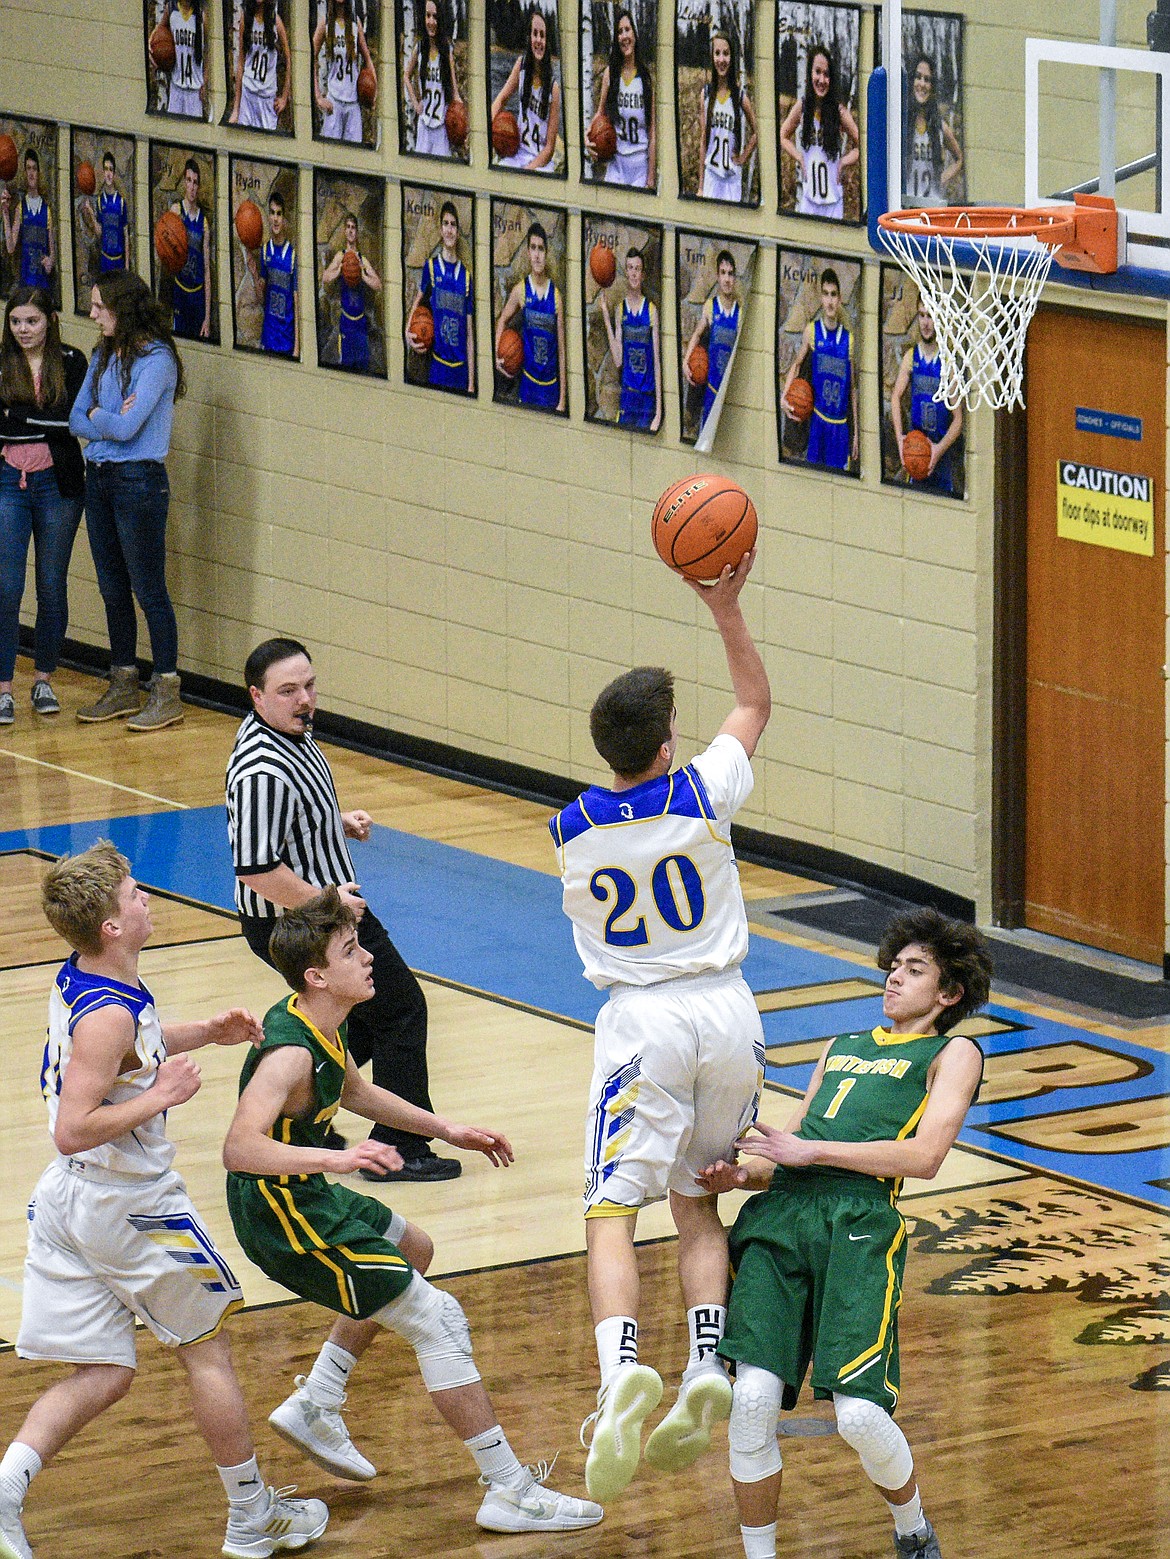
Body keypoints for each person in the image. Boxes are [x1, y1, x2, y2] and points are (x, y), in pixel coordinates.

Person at [222, 888, 605, 1536]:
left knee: (414, 1250)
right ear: (317, 974)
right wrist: (336, 1161)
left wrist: (448, 1127)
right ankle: (510, 1489)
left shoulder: (324, 1019)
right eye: (351, 949)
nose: (368, 956)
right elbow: (239, 1146)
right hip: (282, 1211)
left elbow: (358, 1090)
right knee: (440, 1318)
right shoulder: (288, 1050)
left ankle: (318, 1398)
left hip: (302, 1194)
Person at [0, 841, 329, 1559]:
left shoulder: (96, 979)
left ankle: (2, 1494)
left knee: (107, 1371)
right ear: (112, 925)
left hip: (74, 1206)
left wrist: (205, 1033)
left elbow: (128, 1050)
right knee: (207, 1347)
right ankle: (251, 1515)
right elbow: (71, 1127)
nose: (146, 898)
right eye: (134, 894)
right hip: (132, 1207)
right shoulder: (107, 1015)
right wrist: (161, 1095)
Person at [549, 550, 772, 1503]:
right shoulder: (703, 790)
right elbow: (754, 703)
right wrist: (724, 607)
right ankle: (708, 1364)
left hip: (641, 1018)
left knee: (611, 1205)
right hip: (728, 1009)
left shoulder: (568, 828)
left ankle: (618, 1376)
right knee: (700, 1200)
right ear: (668, 741)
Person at [701, 907, 993, 1559]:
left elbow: (924, 1157)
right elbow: (789, 1147)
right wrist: (741, 1174)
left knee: (859, 1414)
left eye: (914, 969)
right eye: (893, 966)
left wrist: (814, 1153)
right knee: (749, 1399)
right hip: (781, 1221)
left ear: (948, 994)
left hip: (860, 1225)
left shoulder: (955, 1052)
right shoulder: (842, 1048)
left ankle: (913, 1528)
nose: (894, 977)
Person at [225, 636, 459, 1182]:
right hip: (307, 919)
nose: (304, 699)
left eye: (309, 686)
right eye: (288, 691)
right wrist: (327, 900)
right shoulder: (262, 769)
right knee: (401, 1010)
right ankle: (400, 1148)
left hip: (327, 910)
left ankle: (307, 1109)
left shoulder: (292, 734)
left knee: (360, 1019)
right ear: (256, 697)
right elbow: (257, 869)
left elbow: (290, 821)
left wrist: (332, 822)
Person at [68, 271, 185, 732]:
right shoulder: (102, 354)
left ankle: (167, 688)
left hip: (139, 480)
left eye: (100, 307)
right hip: (97, 477)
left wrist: (103, 416)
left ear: (124, 308)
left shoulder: (157, 360)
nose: (93, 315)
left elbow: (127, 429)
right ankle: (122, 683)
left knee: (148, 589)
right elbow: (77, 418)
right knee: (111, 587)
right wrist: (104, 416)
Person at [0, 287, 87, 726]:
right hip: (8, 483)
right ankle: (3, 688)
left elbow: (71, 421)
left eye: (31, 321)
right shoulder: (2, 363)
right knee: (7, 586)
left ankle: (44, 678)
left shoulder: (72, 361)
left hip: (58, 483)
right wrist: (37, 423)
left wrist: (19, 420)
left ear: (49, 321)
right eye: (15, 321)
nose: (22, 330)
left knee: (52, 585)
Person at [782, 267, 858, 472]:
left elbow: (852, 390)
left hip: (840, 427)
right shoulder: (812, 331)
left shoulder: (849, 340)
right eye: (826, 294)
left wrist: (856, 433)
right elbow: (797, 364)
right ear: (821, 298)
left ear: (840, 298)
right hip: (817, 421)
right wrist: (784, 397)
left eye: (833, 295)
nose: (830, 300)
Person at [779, 45, 859, 220]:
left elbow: (862, 146)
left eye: (826, 74)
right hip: (808, 199)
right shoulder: (803, 106)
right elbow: (783, 135)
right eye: (818, 72)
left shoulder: (839, 112)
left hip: (833, 203)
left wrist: (843, 163)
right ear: (810, 74)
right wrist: (799, 157)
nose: (822, 79)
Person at [890, 301, 962, 493]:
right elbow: (895, 397)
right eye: (921, 315)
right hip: (916, 453)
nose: (925, 323)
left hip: (941, 458)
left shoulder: (947, 364)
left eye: (930, 316)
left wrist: (938, 450)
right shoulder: (910, 357)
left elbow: (958, 420)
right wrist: (900, 440)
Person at [495, 222, 566, 413]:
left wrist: (563, 400)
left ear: (546, 253)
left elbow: (561, 350)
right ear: (527, 252)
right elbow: (502, 319)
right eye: (533, 248)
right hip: (527, 385)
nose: (537, 254)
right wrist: (496, 355)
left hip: (550, 387)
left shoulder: (556, 296)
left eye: (541, 249)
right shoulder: (521, 290)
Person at [406, 201, 474, 394]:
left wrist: (471, 383)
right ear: (440, 229)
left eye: (453, 224)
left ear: (458, 231)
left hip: (460, 369)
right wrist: (407, 332)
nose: (449, 229)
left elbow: (469, 333)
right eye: (446, 224)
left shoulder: (467, 276)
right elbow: (417, 299)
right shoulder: (431, 267)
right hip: (438, 366)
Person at [586, 9, 655, 189]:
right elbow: (600, 113)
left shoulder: (645, 79)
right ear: (616, 39)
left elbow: (652, 131)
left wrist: (651, 176)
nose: (624, 35)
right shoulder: (611, 73)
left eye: (627, 29)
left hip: (640, 166)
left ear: (635, 34)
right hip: (616, 163)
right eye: (620, 31)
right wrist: (587, 136)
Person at [490, 5, 561, 173]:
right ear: (529, 38)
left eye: (542, 35)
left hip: (540, 160)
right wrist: (489, 126)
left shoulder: (553, 88)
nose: (538, 40)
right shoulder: (520, 66)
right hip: (518, 153)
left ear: (547, 41)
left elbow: (549, 148)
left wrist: (529, 169)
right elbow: (500, 100)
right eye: (535, 34)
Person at [597, 248, 661, 433]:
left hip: (647, 398)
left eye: (637, 268)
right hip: (627, 395)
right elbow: (618, 359)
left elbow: (656, 362)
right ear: (626, 272)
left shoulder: (651, 311)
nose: (633, 273)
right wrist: (605, 316)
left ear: (643, 274)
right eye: (630, 268)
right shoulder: (620, 310)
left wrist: (658, 412)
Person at [683, 248, 741, 437]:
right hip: (711, 388)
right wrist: (686, 361)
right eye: (723, 273)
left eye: (731, 274)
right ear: (717, 276)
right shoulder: (710, 307)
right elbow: (697, 335)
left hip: (729, 392)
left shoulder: (740, 314)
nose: (727, 279)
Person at [697, 28, 757, 204]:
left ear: (731, 58)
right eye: (717, 53)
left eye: (726, 54)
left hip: (731, 179)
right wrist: (700, 186)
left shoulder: (739, 97)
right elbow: (703, 141)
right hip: (711, 176)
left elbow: (757, 132)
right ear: (712, 57)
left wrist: (744, 157)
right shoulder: (706, 94)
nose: (721, 59)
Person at [321, 213, 380, 371]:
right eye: (348, 227)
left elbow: (378, 284)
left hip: (360, 322)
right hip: (346, 321)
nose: (351, 231)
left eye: (353, 227)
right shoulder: (341, 256)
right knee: (346, 367)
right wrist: (340, 271)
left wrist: (362, 275)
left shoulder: (361, 259)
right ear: (344, 231)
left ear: (357, 232)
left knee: (363, 367)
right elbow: (325, 277)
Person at [404, 0, 462, 158]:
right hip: (424, 124)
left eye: (435, 17)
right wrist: (415, 103)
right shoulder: (420, 48)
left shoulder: (446, 50)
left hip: (442, 126)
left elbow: (455, 90)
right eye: (428, 16)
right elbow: (406, 76)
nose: (431, 21)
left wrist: (461, 115)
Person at [903, 54, 962, 207]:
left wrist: (941, 178)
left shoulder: (939, 127)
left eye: (927, 79)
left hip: (931, 210)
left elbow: (959, 159)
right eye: (918, 77)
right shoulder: (901, 124)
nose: (922, 84)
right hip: (905, 209)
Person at [245, 189, 298, 357]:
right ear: (268, 216)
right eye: (272, 213)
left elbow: (296, 303)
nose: (275, 218)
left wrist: (297, 346)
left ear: (283, 218)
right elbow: (262, 300)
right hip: (268, 338)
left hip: (287, 341)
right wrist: (254, 274)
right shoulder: (265, 251)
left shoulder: (292, 255)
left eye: (279, 214)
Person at [313, 0, 375, 143]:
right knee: (330, 156)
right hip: (334, 101)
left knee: (354, 158)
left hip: (353, 103)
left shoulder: (355, 23)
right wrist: (318, 97)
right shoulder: (325, 23)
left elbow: (367, 58)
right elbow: (311, 57)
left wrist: (374, 91)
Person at [229, 0, 292, 131]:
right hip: (248, 94)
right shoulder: (246, 19)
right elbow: (241, 62)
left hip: (267, 97)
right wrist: (236, 109)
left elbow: (288, 59)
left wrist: (284, 97)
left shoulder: (275, 21)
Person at [168, 158, 212, 342]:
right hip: (180, 290)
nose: (192, 187)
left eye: (195, 182)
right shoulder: (176, 211)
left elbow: (207, 270)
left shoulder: (203, 222)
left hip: (198, 295)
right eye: (189, 180)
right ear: (184, 183)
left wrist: (208, 318)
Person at [1, 149, 55, 290]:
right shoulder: (21, 207)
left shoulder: (46, 210)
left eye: (34, 169)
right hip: (25, 281)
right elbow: (11, 247)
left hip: (42, 282)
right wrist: (5, 213)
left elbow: (52, 251)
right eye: (28, 168)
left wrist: (50, 261)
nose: (31, 173)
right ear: (24, 172)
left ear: (39, 173)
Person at [80, 151, 129, 274]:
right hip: (105, 259)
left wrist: (127, 264)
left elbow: (126, 235)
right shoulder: (100, 201)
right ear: (103, 172)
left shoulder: (121, 202)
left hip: (119, 260)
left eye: (111, 170)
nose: (108, 173)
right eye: (106, 169)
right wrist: (91, 213)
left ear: (114, 173)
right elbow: (99, 232)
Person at [162, 0, 208, 119]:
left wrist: (205, 81)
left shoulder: (202, 16)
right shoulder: (171, 9)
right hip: (176, 87)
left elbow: (207, 53)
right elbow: (159, 33)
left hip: (195, 91)